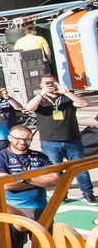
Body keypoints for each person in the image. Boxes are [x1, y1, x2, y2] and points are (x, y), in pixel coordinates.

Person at [25, 75, 95, 203]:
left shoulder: (66, 97)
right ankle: (62, 193)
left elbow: (84, 103)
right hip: (50, 141)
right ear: (41, 85)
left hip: (72, 139)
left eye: (52, 83)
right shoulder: (40, 99)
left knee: (80, 168)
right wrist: (42, 93)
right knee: (56, 170)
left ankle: (88, 192)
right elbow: (29, 108)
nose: (50, 86)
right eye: (46, 83)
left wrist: (66, 92)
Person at [0, 125, 59, 218]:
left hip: (42, 207)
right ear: (9, 138)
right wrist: (40, 181)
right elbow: (5, 184)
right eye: (18, 139)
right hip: (14, 208)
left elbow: (55, 180)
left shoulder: (40, 156)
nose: (22, 142)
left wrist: (24, 179)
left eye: (27, 139)